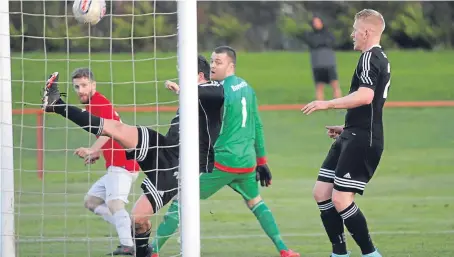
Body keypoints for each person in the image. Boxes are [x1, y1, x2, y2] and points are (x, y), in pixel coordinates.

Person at [40, 56, 221, 257]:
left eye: (184, 73)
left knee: (137, 218)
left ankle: (142, 252)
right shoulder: (194, 94)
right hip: (165, 147)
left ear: (199, 76)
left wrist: (183, 90)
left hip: (183, 164)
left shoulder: (214, 90)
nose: (180, 76)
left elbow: (214, 95)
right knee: (116, 128)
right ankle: (56, 105)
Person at [301, 9, 390, 257]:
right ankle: (339, 253)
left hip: (363, 139)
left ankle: (370, 253)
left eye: (355, 29)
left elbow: (366, 96)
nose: (352, 34)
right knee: (321, 193)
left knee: (341, 200)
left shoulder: (369, 57)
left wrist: (326, 103)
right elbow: (372, 105)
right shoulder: (377, 57)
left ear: (367, 32)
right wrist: (347, 127)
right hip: (353, 134)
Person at [199, 46, 299, 257]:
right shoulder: (247, 88)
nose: (213, 66)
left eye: (218, 62)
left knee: (183, 199)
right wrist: (262, 161)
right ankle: (284, 249)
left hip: (223, 161)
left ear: (231, 66)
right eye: (212, 61)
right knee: (255, 202)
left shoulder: (219, 91)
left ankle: (152, 251)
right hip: (246, 162)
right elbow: (257, 125)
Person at [67, 68, 140, 255]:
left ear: (93, 85)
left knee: (115, 204)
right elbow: (105, 132)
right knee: (91, 202)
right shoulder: (93, 105)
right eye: (76, 87)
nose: (80, 90)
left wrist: (92, 149)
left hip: (124, 162)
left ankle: (128, 246)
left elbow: (112, 130)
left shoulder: (100, 102)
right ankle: (128, 228)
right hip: (114, 165)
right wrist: (97, 152)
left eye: (84, 85)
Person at [298, 15, 342, 100]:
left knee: (335, 85)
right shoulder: (310, 35)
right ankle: (319, 104)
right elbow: (313, 43)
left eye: (317, 22)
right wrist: (322, 42)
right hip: (317, 64)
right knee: (319, 87)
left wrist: (322, 42)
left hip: (329, 63)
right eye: (314, 23)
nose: (316, 24)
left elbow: (331, 42)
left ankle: (338, 103)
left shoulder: (328, 34)